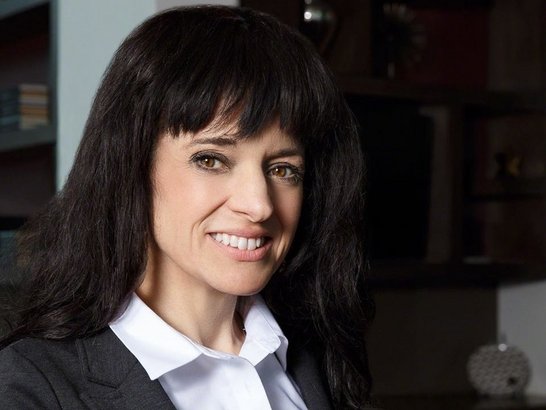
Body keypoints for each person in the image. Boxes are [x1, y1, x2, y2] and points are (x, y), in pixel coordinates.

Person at [0, 5, 374, 409]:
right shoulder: (31, 387)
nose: (259, 205)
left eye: (283, 169)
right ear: (132, 166)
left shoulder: (321, 356)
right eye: (211, 160)